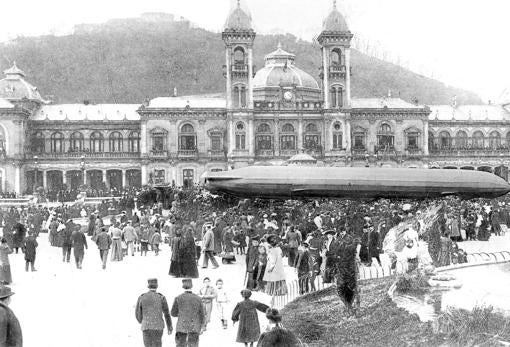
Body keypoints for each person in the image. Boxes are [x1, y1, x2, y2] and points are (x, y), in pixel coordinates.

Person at [135, 278, 173, 347]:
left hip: (146, 327)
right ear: (157, 286)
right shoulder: (161, 297)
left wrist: (143, 321)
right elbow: (167, 313)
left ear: (148, 286)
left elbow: (138, 314)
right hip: (158, 327)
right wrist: (169, 327)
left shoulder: (142, 297)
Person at [171, 278, 205, 347]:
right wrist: (202, 326)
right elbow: (202, 315)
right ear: (192, 286)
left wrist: (182, 313)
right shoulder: (198, 298)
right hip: (194, 327)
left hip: (181, 327)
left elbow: (173, 313)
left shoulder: (178, 298)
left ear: (182, 287)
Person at [263, 235, 287, 299]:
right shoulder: (278, 249)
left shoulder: (272, 250)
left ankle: (273, 291)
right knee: (279, 277)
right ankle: (281, 291)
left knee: (273, 277)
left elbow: (272, 260)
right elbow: (281, 255)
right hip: (279, 265)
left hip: (274, 266)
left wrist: (271, 267)